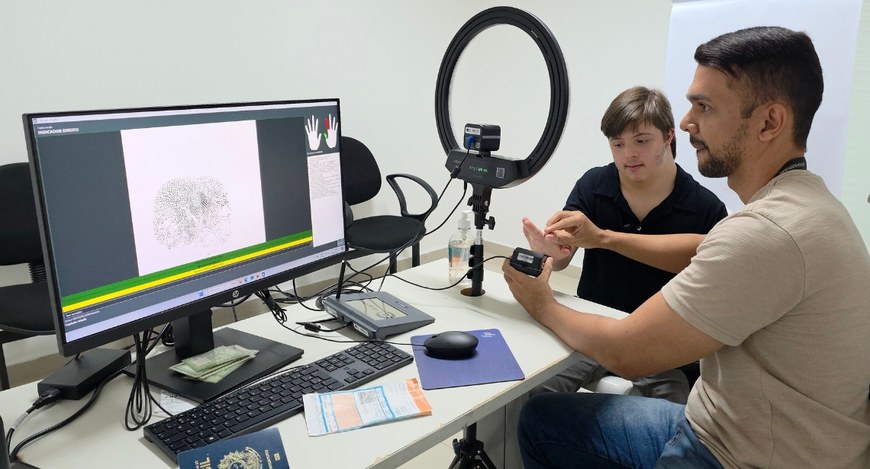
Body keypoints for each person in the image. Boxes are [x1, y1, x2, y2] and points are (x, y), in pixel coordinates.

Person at [506, 26, 870, 468]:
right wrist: (592, 240)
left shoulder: (762, 231)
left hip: (732, 453)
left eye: (705, 106)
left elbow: (629, 352)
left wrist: (540, 302)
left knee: (544, 422)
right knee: (540, 413)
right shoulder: (812, 208)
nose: (686, 121)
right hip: (727, 420)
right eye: (620, 144)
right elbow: (705, 248)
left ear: (769, 122)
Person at [525, 86, 727, 403]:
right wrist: (554, 252)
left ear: (668, 136)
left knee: (671, 426)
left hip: (662, 349)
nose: (628, 154)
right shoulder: (594, 185)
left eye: (641, 141)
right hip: (594, 331)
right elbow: (564, 255)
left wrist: (602, 239)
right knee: (528, 395)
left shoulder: (705, 208)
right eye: (617, 144)